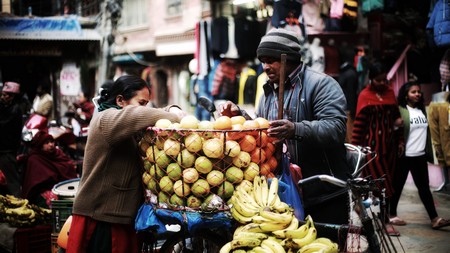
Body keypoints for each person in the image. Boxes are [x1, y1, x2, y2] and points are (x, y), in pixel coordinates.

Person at [219, 28, 352, 226]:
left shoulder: (322, 85)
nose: (265, 67)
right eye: (262, 61)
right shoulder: (269, 93)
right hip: (285, 191)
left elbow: (335, 129)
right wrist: (241, 117)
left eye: (271, 60)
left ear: (289, 58)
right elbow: (264, 130)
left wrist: (295, 129)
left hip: (324, 191)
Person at [67, 75, 183, 253]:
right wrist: (174, 116)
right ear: (120, 100)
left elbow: (145, 112)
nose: (145, 108)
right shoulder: (106, 119)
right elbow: (137, 114)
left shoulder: (124, 122)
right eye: (141, 102)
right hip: (101, 217)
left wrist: (172, 108)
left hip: (120, 216)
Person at [351, 60, 404, 235]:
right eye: (379, 80)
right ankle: (385, 221)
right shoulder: (364, 95)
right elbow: (359, 125)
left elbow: (397, 119)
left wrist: (401, 141)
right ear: (371, 79)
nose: (383, 83)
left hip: (390, 148)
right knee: (383, 186)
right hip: (371, 150)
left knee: (386, 183)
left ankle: (366, 209)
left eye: (385, 80)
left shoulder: (390, 93)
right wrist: (355, 150)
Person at [389, 81, 450, 230]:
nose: (417, 94)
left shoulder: (422, 110)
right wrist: (396, 125)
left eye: (418, 92)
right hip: (405, 157)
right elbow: (394, 128)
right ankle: (391, 215)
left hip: (420, 156)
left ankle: (435, 219)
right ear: (406, 95)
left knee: (424, 189)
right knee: (397, 187)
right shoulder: (401, 110)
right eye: (413, 92)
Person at [21, 130, 77, 208]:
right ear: (40, 145)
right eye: (46, 143)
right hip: (43, 193)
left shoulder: (58, 154)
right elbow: (34, 184)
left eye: (52, 142)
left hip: (64, 189)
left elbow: (68, 168)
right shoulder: (34, 159)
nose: (51, 145)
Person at [0, 81, 24, 197]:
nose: (3, 97)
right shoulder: (4, 108)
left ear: (12, 97)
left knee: (11, 181)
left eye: (6, 95)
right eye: (3, 94)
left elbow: (3, 125)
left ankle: (18, 204)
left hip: (7, 151)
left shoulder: (15, 110)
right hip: (3, 149)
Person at [428, 91, 450, 191]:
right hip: (435, 101)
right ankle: (446, 182)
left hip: (446, 104)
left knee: (447, 146)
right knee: (437, 144)